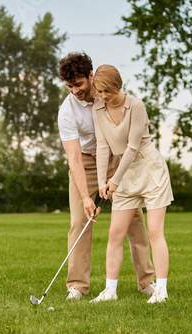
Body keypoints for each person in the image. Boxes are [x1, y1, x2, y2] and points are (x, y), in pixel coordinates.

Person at [57, 53, 156, 300]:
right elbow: (74, 159)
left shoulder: (108, 93)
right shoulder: (67, 111)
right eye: (69, 86)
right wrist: (86, 197)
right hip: (86, 166)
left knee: (133, 219)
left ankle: (146, 282)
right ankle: (77, 287)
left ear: (90, 76)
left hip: (117, 160)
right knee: (80, 221)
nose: (74, 91)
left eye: (78, 84)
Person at [89, 64, 173, 304]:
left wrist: (114, 180)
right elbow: (103, 146)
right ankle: (110, 291)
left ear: (118, 86)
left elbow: (132, 147)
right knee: (115, 233)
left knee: (155, 231)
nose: (104, 96)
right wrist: (104, 181)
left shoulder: (136, 105)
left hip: (149, 169)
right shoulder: (98, 108)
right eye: (100, 91)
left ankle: (161, 291)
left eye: (108, 91)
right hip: (123, 175)